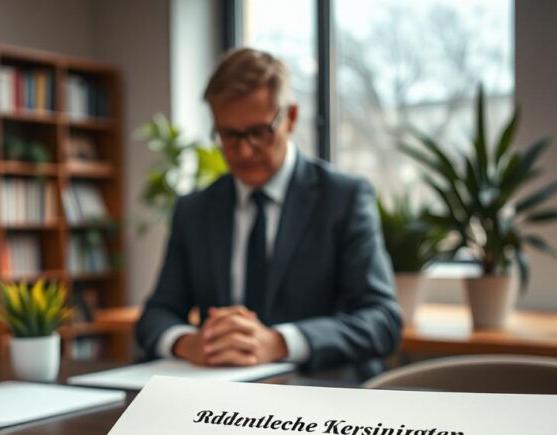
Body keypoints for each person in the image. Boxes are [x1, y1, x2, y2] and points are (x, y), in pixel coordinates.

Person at [135, 48, 402, 377]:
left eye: (258, 132)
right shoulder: (195, 210)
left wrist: (279, 342)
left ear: (289, 118)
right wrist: (187, 343)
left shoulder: (343, 199)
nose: (244, 151)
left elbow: (382, 321)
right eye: (229, 135)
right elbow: (157, 313)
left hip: (322, 399)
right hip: (218, 398)